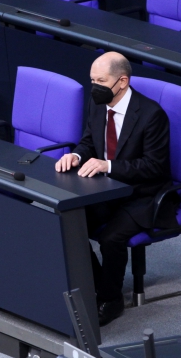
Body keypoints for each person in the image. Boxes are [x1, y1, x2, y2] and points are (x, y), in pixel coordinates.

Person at [55, 52, 174, 326]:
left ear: (122, 81)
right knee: (68, 221)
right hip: (107, 189)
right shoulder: (98, 103)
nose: (94, 86)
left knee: (111, 238)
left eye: (101, 80)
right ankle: (93, 286)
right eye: (92, 80)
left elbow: (154, 167)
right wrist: (77, 156)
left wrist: (108, 165)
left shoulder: (151, 115)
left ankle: (111, 299)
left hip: (144, 194)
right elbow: (88, 141)